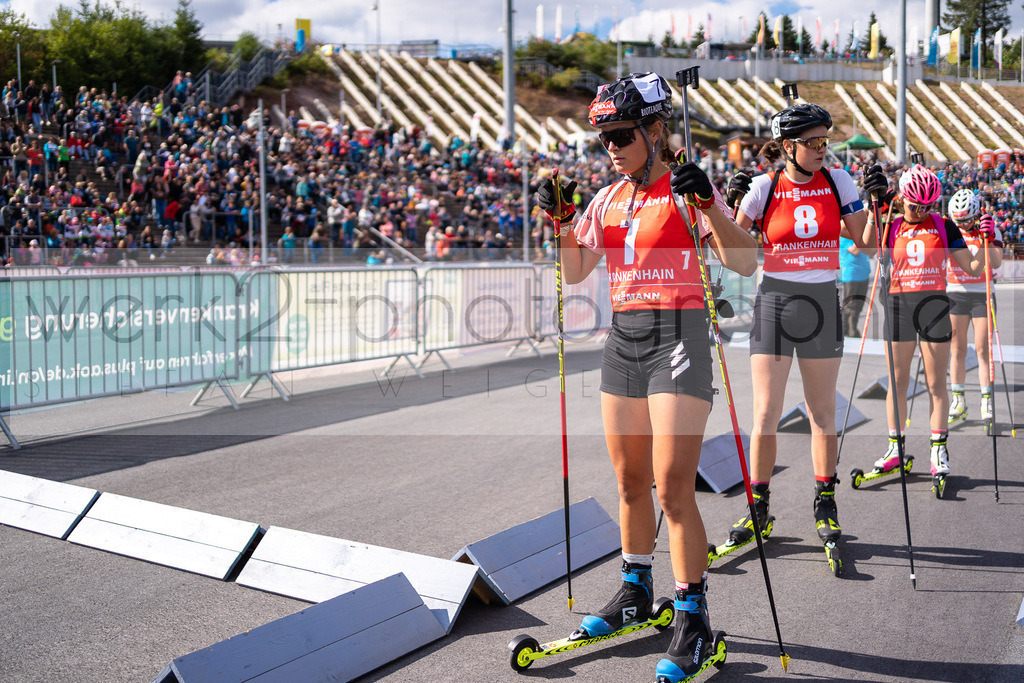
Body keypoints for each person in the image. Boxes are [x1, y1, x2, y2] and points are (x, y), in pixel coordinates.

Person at [537, 72, 756, 682]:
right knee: (630, 479)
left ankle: (694, 617)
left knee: (671, 486)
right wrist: (559, 219)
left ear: (657, 131)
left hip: (679, 337)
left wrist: (711, 203)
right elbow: (576, 271)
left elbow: (743, 260)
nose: (611, 145)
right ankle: (636, 589)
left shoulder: (687, 190)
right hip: (625, 339)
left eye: (622, 133)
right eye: (603, 136)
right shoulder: (609, 198)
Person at [728, 103, 874, 554]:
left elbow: (866, 245)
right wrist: (728, 208)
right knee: (766, 413)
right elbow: (735, 256)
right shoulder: (763, 187)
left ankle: (825, 502)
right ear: (788, 146)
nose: (822, 150)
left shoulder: (838, 180)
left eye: (825, 141)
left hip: (821, 304)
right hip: (774, 302)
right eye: (813, 142)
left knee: (822, 414)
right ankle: (759, 505)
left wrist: (877, 204)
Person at [868, 166, 985, 481]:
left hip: (933, 306)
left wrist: (986, 242)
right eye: (913, 205)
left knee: (935, 384)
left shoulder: (944, 226)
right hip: (898, 306)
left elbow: (973, 269)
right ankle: (895, 448)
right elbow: (866, 246)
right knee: (898, 382)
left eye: (927, 206)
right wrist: (871, 206)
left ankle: (938, 447)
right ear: (903, 198)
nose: (919, 211)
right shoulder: (891, 225)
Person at [945, 190, 1003, 425]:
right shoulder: (950, 229)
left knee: (982, 349)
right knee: (957, 349)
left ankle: (986, 399)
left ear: (976, 214)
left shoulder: (988, 228)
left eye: (967, 220)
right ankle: (958, 399)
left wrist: (987, 239)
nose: (964, 225)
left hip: (982, 293)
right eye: (958, 221)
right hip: (956, 292)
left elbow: (997, 262)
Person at [839, 235, 871, 337]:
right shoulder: (844, 237)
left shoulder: (859, 237)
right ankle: (844, 329)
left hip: (863, 274)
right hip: (851, 275)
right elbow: (855, 250)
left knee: (859, 303)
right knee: (849, 304)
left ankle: (853, 327)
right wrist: (862, 237)